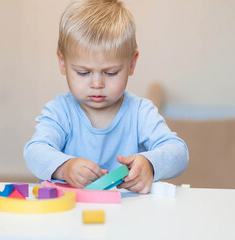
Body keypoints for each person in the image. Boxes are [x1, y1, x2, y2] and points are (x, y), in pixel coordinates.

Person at [23, 0, 188, 194]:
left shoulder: (140, 112)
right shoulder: (60, 111)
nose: (97, 84)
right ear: (62, 63)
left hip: (126, 214)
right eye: (83, 73)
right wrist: (64, 167)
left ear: (131, 64)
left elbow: (179, 152)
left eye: (110, 73)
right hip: (70, 213)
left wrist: (150, 164)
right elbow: (34, 151)